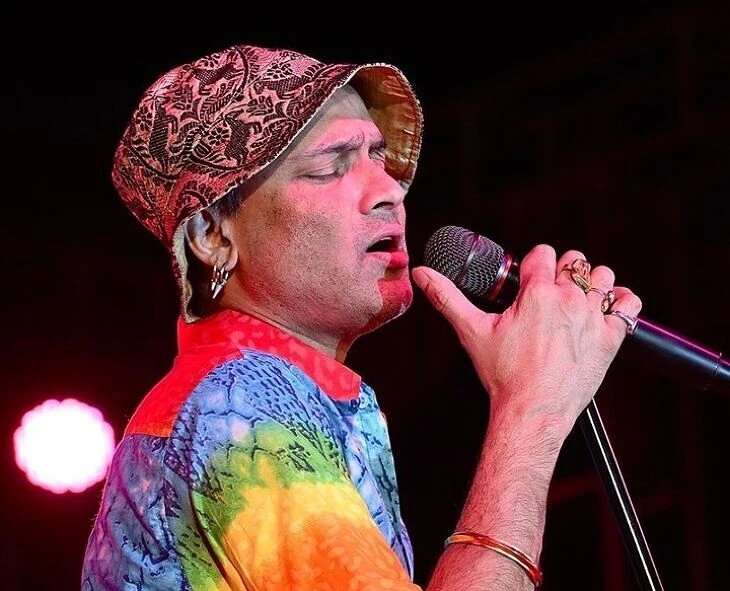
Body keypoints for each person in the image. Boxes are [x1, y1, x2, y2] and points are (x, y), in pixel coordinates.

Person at [80, 43, 642, 590]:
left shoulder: (272, 398)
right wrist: (530, 408)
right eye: (329, 167)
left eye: (379, 157)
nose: (390, 189)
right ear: (211, 236)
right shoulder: (236, 407)